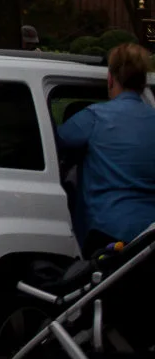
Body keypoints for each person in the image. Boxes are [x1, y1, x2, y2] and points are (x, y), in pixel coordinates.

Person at [55, 42, 155, 255]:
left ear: (110, 78)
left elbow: (50, 146)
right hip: (150, 235)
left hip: (107, 234)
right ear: (142, 81)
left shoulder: (94, 117)